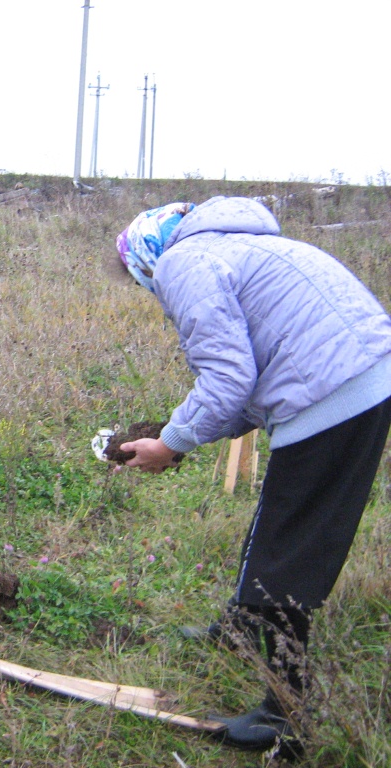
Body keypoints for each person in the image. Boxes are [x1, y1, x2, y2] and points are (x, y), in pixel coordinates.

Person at [112, 196, 391, 752]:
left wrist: (169, 443)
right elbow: (250, 386)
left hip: (331, 396)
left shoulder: (184, 264)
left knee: (286, 548)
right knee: (280, 528)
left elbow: (228, 379)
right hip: (362, 380)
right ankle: (240, 630)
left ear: (148, 260)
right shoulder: (245, 245)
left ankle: (284, 717)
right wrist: (183, 438)